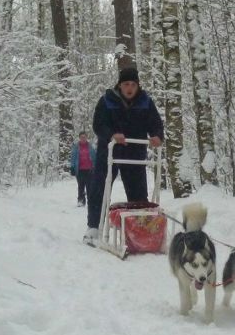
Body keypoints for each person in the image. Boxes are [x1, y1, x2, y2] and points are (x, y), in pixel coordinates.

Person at [83, 66, 164, 245]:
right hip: (110, 151)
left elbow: (155, 123)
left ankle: (140, 229)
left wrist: (157, 135)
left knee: (138, 191)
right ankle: (94, 227)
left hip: (134, 152)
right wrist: (112, 135)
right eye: (126, 84)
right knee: (100, 188)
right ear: (120, 85)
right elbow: (98, 125)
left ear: (138, 86)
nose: (130, 88)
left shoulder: (145, 102)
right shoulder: (106, 100)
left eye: (133, 84)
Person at [68, 132, 96, 207]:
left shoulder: (91, 147)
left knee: (89, 186)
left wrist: (96, 166)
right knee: (81, 186)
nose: (83, 138)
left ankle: (91, 201)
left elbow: (94, 157)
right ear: (79, 138)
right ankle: (81, 200)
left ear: (87, 137)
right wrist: (72, 167)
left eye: (84, 137)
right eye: (81, 137)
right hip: (79, 170)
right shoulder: (76, 147)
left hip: (89, 169)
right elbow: (73, 158)